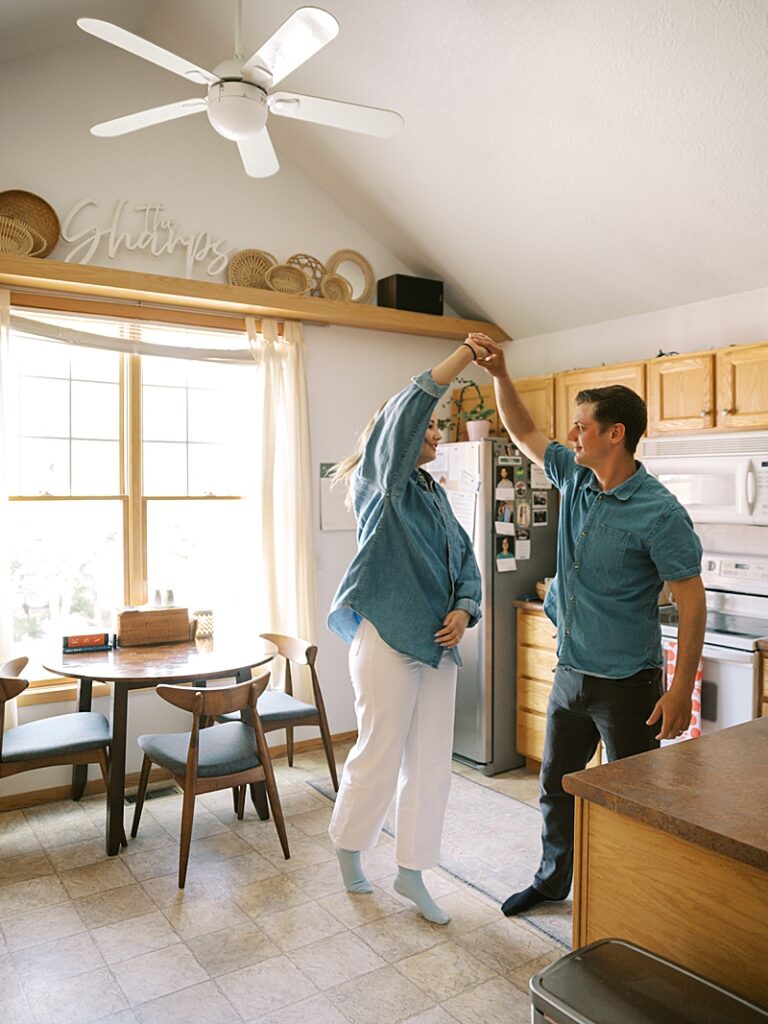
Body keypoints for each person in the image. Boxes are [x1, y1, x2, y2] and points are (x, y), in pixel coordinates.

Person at [469, 333, 706, 917]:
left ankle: (628, 900)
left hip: (630, 684)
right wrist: (501, 374)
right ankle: (553, 884)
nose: (572, 434)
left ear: (614, 433)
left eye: (581, 425)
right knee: (556, 789)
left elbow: (692, 601)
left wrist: (680, 689)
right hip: (571, 674)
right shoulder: (574, 478)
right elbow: (524, 431)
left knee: (627, 799)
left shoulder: (660, 511)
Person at [327, 338, 486, 924]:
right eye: (431, 430)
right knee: (380, 750)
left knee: (431, 762)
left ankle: (412, 873)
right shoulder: (384, 484)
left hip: (438, 646)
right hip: (387, 638)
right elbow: (408, 407)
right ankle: (349, 849)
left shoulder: (433, 494)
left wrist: (465, 608)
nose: (438, 436)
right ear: (400, 437)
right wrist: (465, 352)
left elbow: (466, 560)